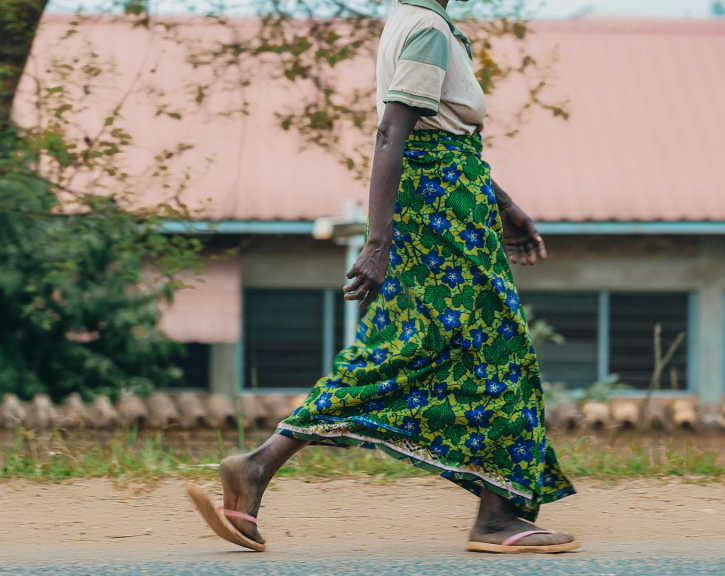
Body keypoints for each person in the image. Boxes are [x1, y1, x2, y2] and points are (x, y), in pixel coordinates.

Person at [188, 0, 578, 554]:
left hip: (452, 212)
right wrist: (377, 242)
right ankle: (497, 517)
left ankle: (258, 466)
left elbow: (443, 143)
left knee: (430, 352)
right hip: (441, 224)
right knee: (490, 350)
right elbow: (394, 134)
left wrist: (506, 205)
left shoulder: (419, 24)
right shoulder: (424, 30)